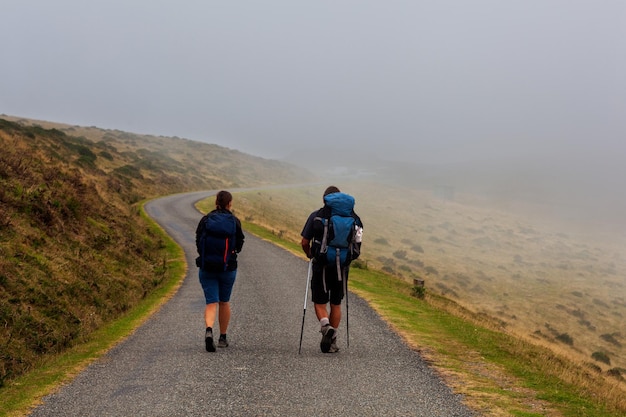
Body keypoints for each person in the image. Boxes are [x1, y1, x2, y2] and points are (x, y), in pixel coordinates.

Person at [300, 186, 363, 353]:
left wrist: (310, 254)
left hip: (321, 264)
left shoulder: (316, 216)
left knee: (320, 302)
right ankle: (332, 341)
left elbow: (305, 242)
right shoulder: (355, 219)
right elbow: (357, 245)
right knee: (336, 303)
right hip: (342, 267)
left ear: (325, 200)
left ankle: (325, 325)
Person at [195, 190, 245, 352]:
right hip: (228, 267)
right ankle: (223, 337)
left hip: (207, 266)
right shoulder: (234, 221)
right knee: (224, 301)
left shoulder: (206, 219)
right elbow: (239, 244)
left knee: (211, 302)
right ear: (230, 203)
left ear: (216, 202)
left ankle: (209, 330)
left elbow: (198, 241)